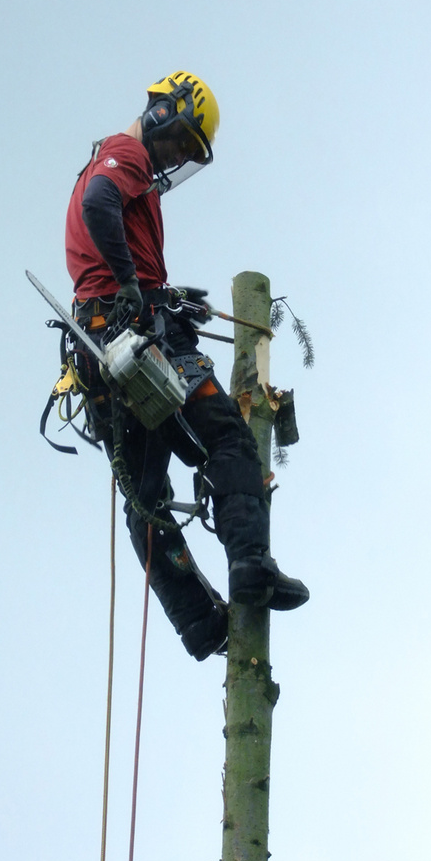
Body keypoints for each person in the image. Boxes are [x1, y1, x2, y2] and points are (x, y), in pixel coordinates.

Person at [64, 72, 308, 661]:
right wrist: (133, 288)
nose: (174, 157)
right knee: (227, 436)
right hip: (134, 333)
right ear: (162, 111)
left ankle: (201, 625)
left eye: (187, 153)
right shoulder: (123, 154)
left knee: (145, 495)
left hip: (102, 351)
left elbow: (109, 228)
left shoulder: (123, 171)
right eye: (178, 141)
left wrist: (164, 293)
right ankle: (251, 562)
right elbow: (101, 204)